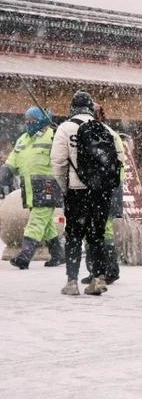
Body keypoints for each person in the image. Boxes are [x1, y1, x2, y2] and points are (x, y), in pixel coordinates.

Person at [51, 91, 125, 296]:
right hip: (100, 192)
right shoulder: (106, 129)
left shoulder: (65, 129)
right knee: (97, 235)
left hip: (77, 191)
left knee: (74, 235)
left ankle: (72, 282)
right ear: (91, 108)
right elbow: (119, 160)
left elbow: (58, 163)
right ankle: (98, 278)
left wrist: (65, 187)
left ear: (72, 107)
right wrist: (105, 185)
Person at [3, 106, 64, 269]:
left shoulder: (53, 136)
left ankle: (25, 256)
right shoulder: (23, 139)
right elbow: (12, 161)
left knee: (36, 221)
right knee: (47, 224)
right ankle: (58, 254)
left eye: (33, 121)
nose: (29, 124)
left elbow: (66, 154)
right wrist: (4, 173)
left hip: (48, 186)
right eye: (27, 121)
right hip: (29, 188)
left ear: (42, 121)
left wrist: (61, 134)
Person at [81, 103, 124, 285]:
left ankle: (108, 270)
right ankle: (97, 270)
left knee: (101, 229)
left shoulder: (103, 134)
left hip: (104, 188)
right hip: (106, 186)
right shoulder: (108, 133)